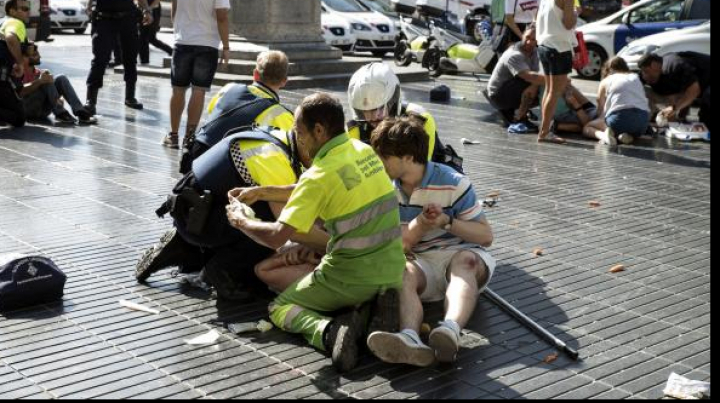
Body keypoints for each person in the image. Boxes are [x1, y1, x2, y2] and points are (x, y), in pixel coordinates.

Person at [226, 93, 406, 372]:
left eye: (299, 131)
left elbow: (276, 236)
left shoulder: (318, 175)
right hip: (394, 269)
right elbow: (316, 188)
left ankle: (329, 331)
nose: (298, 139)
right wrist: (262, 192)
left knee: (279, 308)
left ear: (318, 130)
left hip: (351, 276)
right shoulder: (362, 150)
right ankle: (373, 310)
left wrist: (240, 221)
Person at [136, 125, 329, 300]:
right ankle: (223, 270)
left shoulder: (277, 137)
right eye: (319, 155)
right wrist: (335, 246)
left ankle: (184, 246)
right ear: (305, 138)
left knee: (258, 203)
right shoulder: (274, 159)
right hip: (202, 220)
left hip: (191, 211)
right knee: (267, 224)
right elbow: (288, 229)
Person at [366, 117, 495, 367]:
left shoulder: (454, 182)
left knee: (465, 261)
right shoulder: (386, 189)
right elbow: (402, 244)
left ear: (406, 157)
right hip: (421, 260)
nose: (378, 163)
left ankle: (450, 329)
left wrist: (447, 222)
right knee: (401, 271)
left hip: (458, 254)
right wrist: (422, 223)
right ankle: (409, 337)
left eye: (384, 156)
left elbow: (485, 237)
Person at [174, 50, 293, 174]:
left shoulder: (228, 89)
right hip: (224, 169)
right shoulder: (280, 114)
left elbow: (211, 110)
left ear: (255, 74)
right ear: (284, 81)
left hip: (196, 158)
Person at [347, 62, 462, 172]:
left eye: (379, 108)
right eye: (365, 111)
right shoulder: (355, 128)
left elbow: (419, 171)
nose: (372, 117)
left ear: (393, 101)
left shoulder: (419, 120)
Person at [168, 0, 231, 151]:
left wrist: (178, 30)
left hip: (183, 40)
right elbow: (221, 16)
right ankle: (189, 138)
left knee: (178, 90)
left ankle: (173, 136)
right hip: (207, 42)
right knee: (198, 90)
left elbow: (174, 6)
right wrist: (226, 46)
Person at [84, 0, 153, 115]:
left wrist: (146, 11)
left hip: (128, 18)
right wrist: (89, 5)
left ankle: (130, 97)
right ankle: (90, 100)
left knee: (130, 58)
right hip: (105, 18)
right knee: (100, 59)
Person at [18, 43, 97, 124]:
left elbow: (52, 92)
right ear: (25, 58)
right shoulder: (18, 73)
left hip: (43, 110)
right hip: (27, 110)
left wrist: (58, 99)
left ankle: (80, 111)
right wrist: (40, 81)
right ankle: (60, 113)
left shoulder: (40, 72)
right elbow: (19, 92)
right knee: (46, 80)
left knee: (61, 78)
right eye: (35, 55)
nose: (39, 57)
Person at [583, 57, 650, 146]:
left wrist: (599, 119)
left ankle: (604, 136)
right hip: (642, 124)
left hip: (619, 120)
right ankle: (624, 136)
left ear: (608, 69)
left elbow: (600, 106)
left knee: (587, 127)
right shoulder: (635, 77)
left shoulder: (606, 80)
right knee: (628, 125)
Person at [536, 0, 577, 144]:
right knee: (554, 92)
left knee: (548, 90)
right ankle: (545, 132)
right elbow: (568, 23)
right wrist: (576, 14)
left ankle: (545, 128)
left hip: (544, 45)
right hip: (559, 47)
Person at [485, 26, 543, 127]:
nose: (529, 42)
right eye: (527, 37)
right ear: (522, 36)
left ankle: (521, 113)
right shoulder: (514, 54)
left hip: (514, 86)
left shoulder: (535, 52)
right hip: (498, 95)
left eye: (533, 39)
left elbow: (538, 74)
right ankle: (519, 116)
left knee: (539, 84)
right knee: (536, 83)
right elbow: (529, 76)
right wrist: (556, 81)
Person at [638, 52, 711, 130]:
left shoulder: (675, 65)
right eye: (643, 72)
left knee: (707, 101)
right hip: (701, 83)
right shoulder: (654, 73)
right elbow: (674, 95)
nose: (644, 75)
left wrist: (673, 109)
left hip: (706, 80)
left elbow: (694, 91)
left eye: (646, 71)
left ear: (654, 65)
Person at [0, 0, 30, 127]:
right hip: (1, 78)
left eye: (28, 9)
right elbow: (11, 37)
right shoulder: (16, 22)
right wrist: (20, 63)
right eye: (23, 9)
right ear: (11, 11)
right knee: (18, 117)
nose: (28, 12)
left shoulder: (2, 21)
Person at [138, 0, 173, 65]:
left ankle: (171, 51)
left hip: (153, 8)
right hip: (144, 8)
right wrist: (145, 10)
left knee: (148, 38)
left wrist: (148, 10)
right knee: (145, 37)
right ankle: (144, 61)